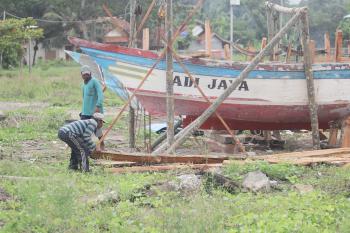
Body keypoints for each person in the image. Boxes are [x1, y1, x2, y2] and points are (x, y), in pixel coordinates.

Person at [80, 65, 106, 150]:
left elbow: (100, 94)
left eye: (87, 74)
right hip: (85, 111)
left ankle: (102, 144)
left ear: (90, 73)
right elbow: (84, 99)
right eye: (84, 75)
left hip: (94, 111)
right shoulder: (83, 85)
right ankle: (86, 146)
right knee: (84, 130)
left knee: (96, 128)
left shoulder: (94, 81)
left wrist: (98, 106)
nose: (86, 76)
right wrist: (82, 110)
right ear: (81, 75)